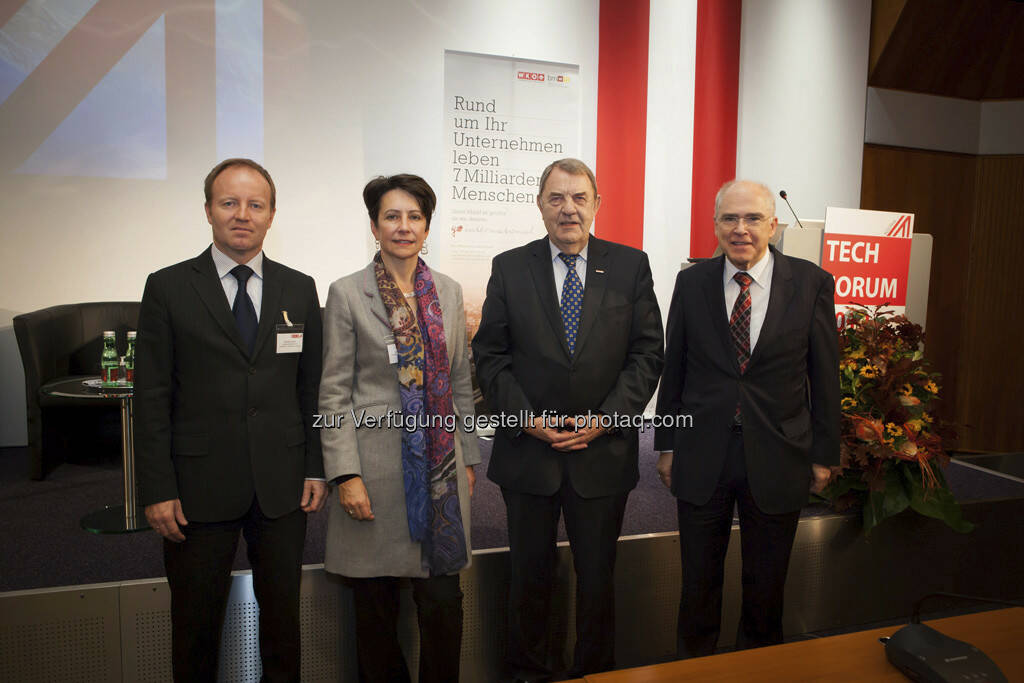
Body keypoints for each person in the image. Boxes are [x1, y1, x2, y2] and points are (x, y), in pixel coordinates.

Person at [135, 158, 327, 682]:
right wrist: (156, 487)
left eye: (255, 205)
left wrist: (316, 466)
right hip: (197, 488)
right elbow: (150, 396)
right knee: (195, 624)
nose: (242, 215)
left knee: (284, 623)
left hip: (283, 484)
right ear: (208, 211)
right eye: (229, 203)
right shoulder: (168, 287)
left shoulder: (299, 288)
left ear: (270, 216)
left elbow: (312, 388)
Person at [472, 158, 664, 680]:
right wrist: (525, 418)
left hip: (602, 453)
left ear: (597, 205)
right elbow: (490, 355)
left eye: (579, 198)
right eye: (556, 198)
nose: (568, 209)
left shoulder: (630, 266)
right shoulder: (511, 267)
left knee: (598, 579)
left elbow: (648, 354)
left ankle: (596, 671)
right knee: (528, 577)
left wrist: (606, 419)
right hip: (529, 453)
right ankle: (529, 672)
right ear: (540, 205)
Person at [654, 179, 839, 657]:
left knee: (765, 588)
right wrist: (667, 445)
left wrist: (823, 454)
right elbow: (675, 369)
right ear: (715, 225)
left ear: (772, 225)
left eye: (752, 218)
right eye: (729, 219)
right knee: (698, 586)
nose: (741, 229)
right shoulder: (691, 282)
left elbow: (824, 376)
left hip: (779, 455)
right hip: (700, 455)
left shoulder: (812, 283)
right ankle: (693, 668)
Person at [319, 174, 480, 683]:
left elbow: (459, 380)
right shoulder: (347, 293)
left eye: (414, 216)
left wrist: (469, 457)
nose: (403, 226)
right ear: (374, 225)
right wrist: (345, 474)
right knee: (375, 608)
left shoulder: (449, 293)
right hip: (376, 475)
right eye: (392, 216)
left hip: (441, 474)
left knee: (441, 603)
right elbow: (334, 393)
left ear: (427, 226)